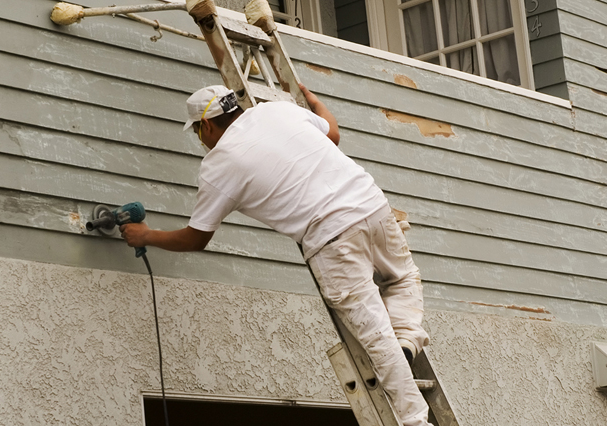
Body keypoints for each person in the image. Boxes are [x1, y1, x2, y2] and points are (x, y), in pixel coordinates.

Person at [120, 84, 432, 426]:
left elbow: (197, 238)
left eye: (197, 131)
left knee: (375, 338)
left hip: (330, 238)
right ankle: (407, 342)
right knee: (402, 279)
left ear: (206, 126)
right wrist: (315, 102)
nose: (201, 139)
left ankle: (414, 420)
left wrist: (146, 235)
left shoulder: (220, 163)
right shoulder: (275, 111)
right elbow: (334, 133)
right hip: (373, 207)